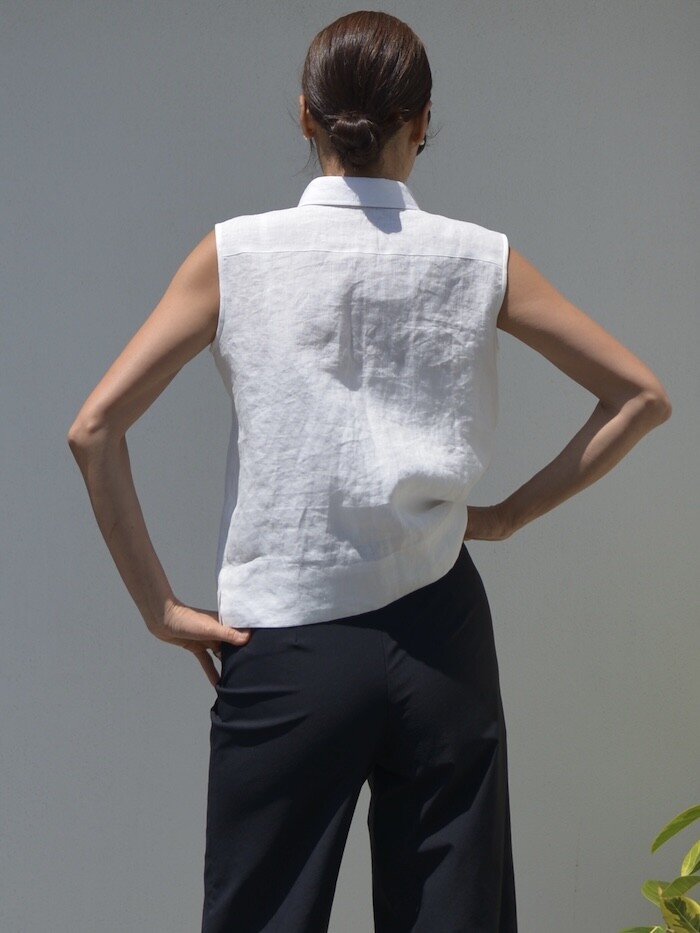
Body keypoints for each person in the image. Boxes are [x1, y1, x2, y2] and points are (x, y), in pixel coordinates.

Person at [67, 10, 671, 933]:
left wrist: (159, 606)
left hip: (285, 647)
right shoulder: (479, 259)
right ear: (422, 121)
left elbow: (95, 428)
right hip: (443, 634)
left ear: (305, 117)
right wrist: (504, 517)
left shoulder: (236, 255)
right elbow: (639, 395)